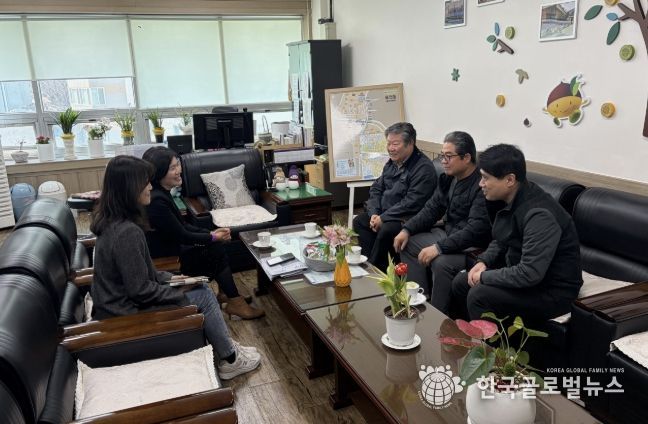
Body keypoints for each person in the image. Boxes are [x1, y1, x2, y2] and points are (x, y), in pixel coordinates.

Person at [90, 155, 261, 380]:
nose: (150, 187)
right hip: (123, 312)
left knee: (199, 286)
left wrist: (174, 279)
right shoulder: (127, 233)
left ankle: (227, 346)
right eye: (145, 182)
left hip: (119, 303)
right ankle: (230, 360)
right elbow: (139, 291)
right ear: (130, 188)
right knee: (205, 295)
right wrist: (176, 291)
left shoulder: (116, 222)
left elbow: (143, 274)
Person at [450, 144, 583, 323]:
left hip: (552, 291)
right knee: (461, 282)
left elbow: (529, 273)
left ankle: (489, 342)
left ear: (510, 180)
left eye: (485, 178)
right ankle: (466, 334)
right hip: (530, 279)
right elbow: (501, 239)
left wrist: (484, 276)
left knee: (479, 295)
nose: (480, 184)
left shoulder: (539, 215)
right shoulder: (508, 197)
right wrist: (484, 261)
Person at [142, 146, 264, 320]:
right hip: (168, 258)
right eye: (173, 168)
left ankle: (227, 294)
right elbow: (183, 235)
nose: (179, 170)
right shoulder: (156, 201)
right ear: (159, 173)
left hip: (174, 248)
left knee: (215, 244)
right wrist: (212, 237)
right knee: (214, 249)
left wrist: (211, 233)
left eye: (178, 164)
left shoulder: (161, 193)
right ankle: (235, 302)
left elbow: (183, 225)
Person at [393, 131, 491, 315]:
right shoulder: (448, 178)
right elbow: (432, 209)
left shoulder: (482, 185)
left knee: (441, 262)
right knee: (408, 242)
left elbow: (474, 231)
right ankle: (418, 300)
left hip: (472, 247)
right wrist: (407, 229)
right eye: (442, 155)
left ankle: (438, 316)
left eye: (448, 156)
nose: (443, 161)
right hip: (448, 234)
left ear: (466, 158)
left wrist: (438, 248)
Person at [353, 122, 437, 270]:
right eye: (388, 143)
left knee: (386, 229)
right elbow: (376, 188)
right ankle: (369, 264)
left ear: (410, 143)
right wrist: (374, 214)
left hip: (407, 217)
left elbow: (412, 203)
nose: (390, 148)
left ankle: (376, 269)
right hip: (385, 213)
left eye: (395, 144)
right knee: (360, 221)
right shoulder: (392, 163)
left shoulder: (423, 168)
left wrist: (383, 218)